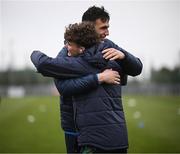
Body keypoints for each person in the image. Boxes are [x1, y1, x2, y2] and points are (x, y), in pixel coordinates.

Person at [31, 21, 142, 154]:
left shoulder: (78, 63)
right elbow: (135, 69)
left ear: (82, 49)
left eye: (69, 44)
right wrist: (122, 57)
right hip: (118, 140)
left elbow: (48, 69)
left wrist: (34, 52)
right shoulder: (114, 61)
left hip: (95, 142)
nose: (66, 47)